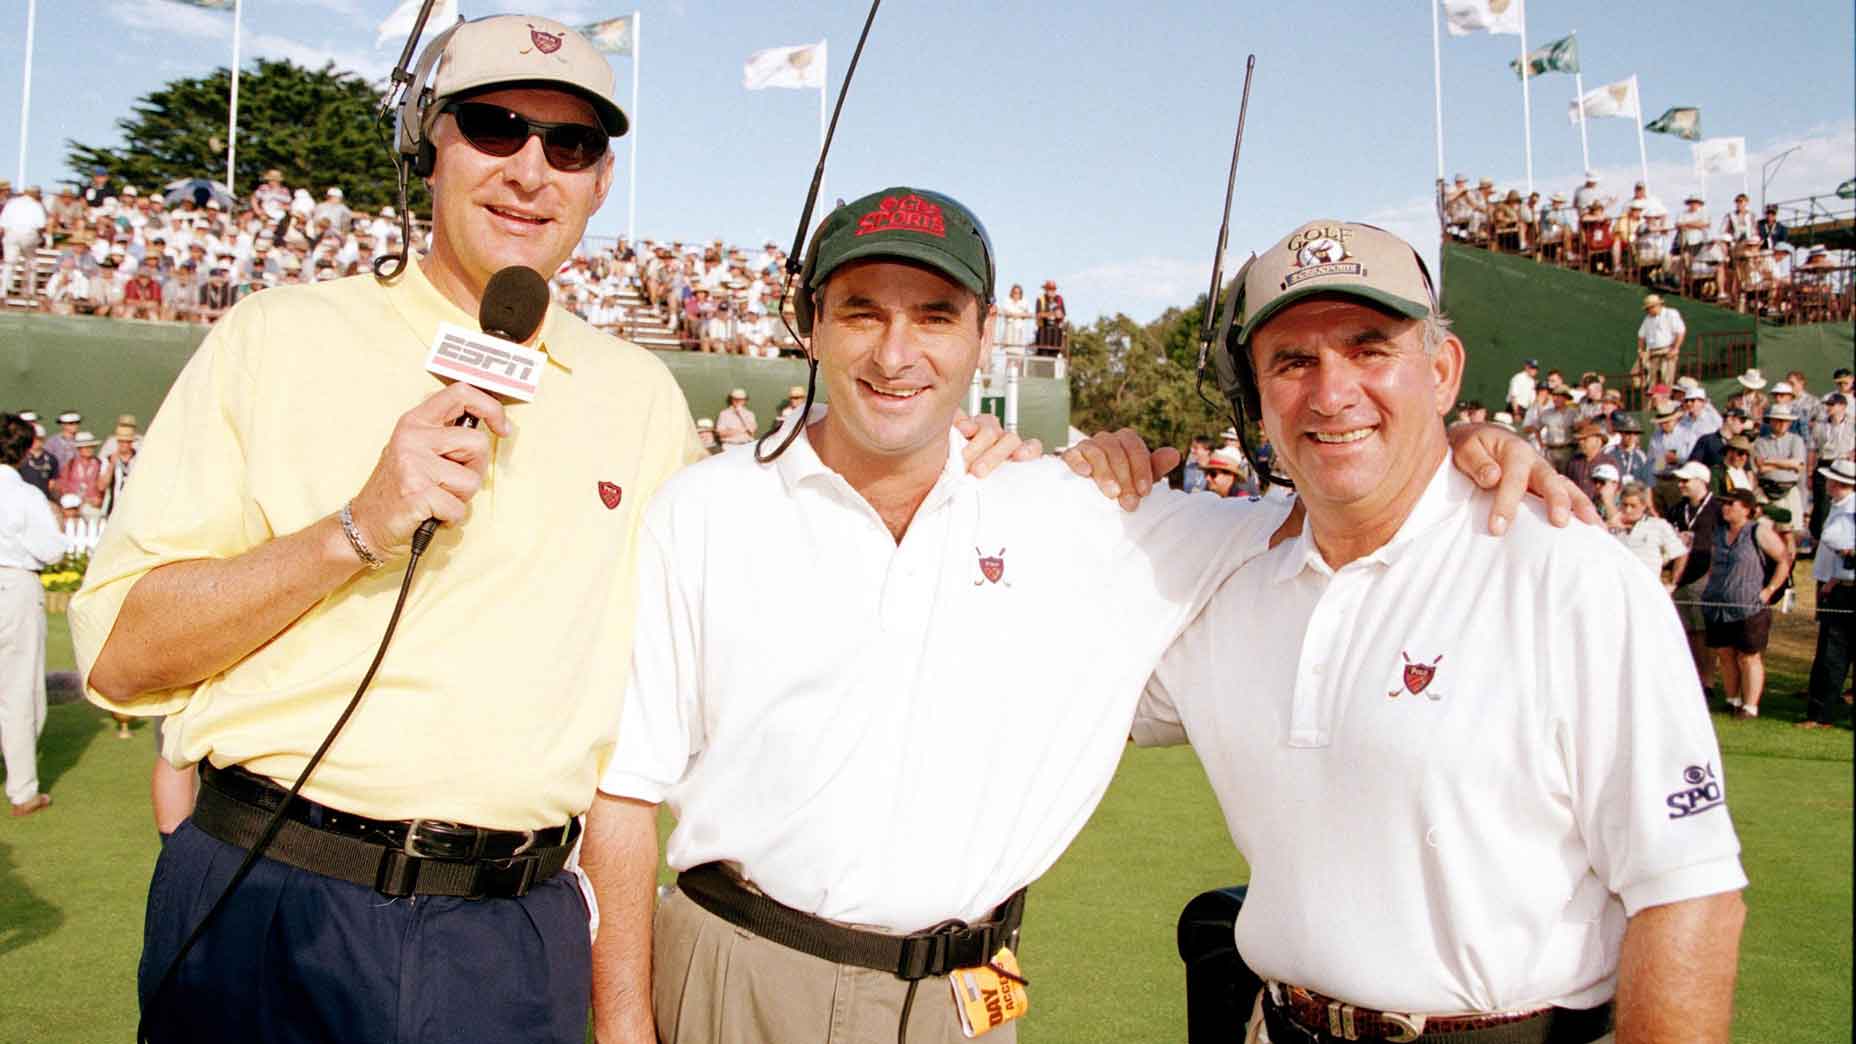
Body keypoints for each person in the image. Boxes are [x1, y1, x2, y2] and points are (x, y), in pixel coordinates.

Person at [581, 198, 1576, 1044]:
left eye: (933, 315)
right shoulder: (705, 509)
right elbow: (621, 799)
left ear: (982, 338)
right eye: (859, 313)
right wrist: (622, 1031)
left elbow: (1339, 500)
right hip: (737, 972)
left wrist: (1469, 447)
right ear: (812, 326)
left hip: (969, 1001)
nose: (895, 351)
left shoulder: (1078, 513)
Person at [68, 16, 690, 1043]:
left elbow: (634, 755)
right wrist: (354, 529)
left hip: (512, 932)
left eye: (568, 145)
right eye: (493, 127)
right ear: (426, 145)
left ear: (599, 181)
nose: (530, 168)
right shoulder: (277, 336)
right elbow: (125, 658)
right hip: (270, 900)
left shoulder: (643, 398)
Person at [1134, 219, 1745, 1044]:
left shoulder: (1573, 576)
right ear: (1256, 397)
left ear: (1444, 371)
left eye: (1370, 348)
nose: (1332, 390)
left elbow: (1689, 893)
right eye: (1292, 361)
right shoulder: (1225, 587)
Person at [1, 414, 66, 817]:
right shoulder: (26, 496)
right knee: (19, 689)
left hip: (14, 584)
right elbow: (53, 551)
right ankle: (23, 790)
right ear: (26, 452)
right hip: (14, 587)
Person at [1702, 489, 1790, 717]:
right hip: (1717, 604)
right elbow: (1712, 564)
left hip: (1749, 605)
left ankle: (1750, 706)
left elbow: (1784, 559)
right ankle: (1732, 699)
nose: (1726, 508)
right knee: (1725, 653)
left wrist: (1769, 590)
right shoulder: (1719, 532)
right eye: (1724, 503)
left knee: (1748, 656)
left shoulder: (1758, 531)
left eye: (1732, 504)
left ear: (1747, 509)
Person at [1801, 460, 1855, 728]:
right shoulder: (1838, 507)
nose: (1827, 485)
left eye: (1831, 481)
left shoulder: (1851, 510)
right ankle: (1821, 711)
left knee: (1834, 653)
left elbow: (1850, 554)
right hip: (1835, 585)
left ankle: (1823, 714)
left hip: (1846, 591)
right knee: (1829, 653)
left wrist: (1839, 578)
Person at [1613, 480, 1687, 589]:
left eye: (1633, 506)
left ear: (1643, 506)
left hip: (1647, 588)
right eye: (1625, 505)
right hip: (1618, 587)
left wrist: (1673, 583)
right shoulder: (1612, 527)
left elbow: (1680, 553)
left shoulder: (1659, 525)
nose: (1628, 510)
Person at [1753, 404, 1808, 536]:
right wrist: (1788, 464)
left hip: (1789, 489)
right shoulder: (1760, 442)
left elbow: (1798, 465)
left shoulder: (1796, 440)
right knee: (1764, 528)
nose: (1782, 423)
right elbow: (1761, 468)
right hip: (1767, 489)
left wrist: (1770, 461)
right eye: (1778, 420)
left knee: (1792, 531)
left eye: (1786, 420)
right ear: (1771, 421)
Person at [1, 185, 47, 298]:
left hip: (11, 234)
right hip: (29, 235)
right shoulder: (36, 205)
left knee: (9, 263)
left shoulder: (12, 203)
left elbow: (2, 223)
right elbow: (41, 225)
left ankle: (4, 289)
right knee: (31, 261)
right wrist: (41, 238)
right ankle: (29, 290)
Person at [1635, 294, 1685, 389]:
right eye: (1647, 308)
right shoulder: (1647, 318)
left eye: (1650, 308)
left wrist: (1675, 349)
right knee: (1646, 380)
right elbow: (1641, 335)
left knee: (1666, 379)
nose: (1648, 310)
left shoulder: (1671, 313)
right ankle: (1650, 400)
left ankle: (1663, 401)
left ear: (1658, 305)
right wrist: (1641, 350)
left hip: (1667, 350)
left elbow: (1680, 331)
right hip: (1651, 353)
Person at [1034, 278, 1066, 352]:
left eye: (1053, 289)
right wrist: (1053, 314)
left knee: (1054, 354)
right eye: (1049, 289)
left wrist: (1060, 315)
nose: (1051, 291)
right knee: (1042, 354)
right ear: (1045, 289)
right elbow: (1038, 314)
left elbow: (1063, 314)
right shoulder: (1040, 299)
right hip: (1043, 331)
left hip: (1056, 331)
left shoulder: (1059, 299)